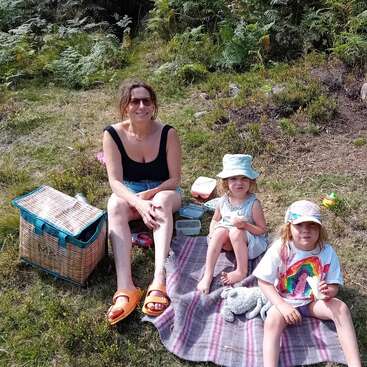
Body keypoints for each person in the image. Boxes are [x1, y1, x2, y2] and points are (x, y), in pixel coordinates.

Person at [103, 80, 182, 325]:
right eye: (134, 101)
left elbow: (175, 178)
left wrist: (150, 196)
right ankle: (125, 288)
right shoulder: (112, 134)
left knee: (160, 202)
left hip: (165, 190)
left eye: (146, 100)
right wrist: (137, 203)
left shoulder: (167, 133)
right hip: (131, 192)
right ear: (125, 106)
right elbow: (115, 182)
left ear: (153, 105)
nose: (141, 106)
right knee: (114, 204)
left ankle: (159, 279)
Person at [253, 200, 362, 367]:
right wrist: (282, 306)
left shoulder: (326, 252)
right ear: (288, 227)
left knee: (341, 308)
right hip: (284, 300)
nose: (306, 230)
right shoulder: (280, 248)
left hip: (313, 302)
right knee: (272, 319)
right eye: (299, 225)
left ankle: (355, 363)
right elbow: (263, 281)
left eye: (312, 225)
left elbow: (334, 285)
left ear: (320, 229)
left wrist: (328, 292)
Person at [197, 154, 268, 294]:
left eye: (244, 178)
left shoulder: (253, 204)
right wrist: (213, 233)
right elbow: (216, 219)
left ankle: (241, 270)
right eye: (233, 179)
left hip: (247, 241)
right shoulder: (223, 200)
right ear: (226, 182)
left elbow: (262, 230)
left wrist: (246, 225)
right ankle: (208, 274)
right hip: (227, 242)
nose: (239, 183)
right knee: (219, 232)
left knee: (236, 232)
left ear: (251, 181)